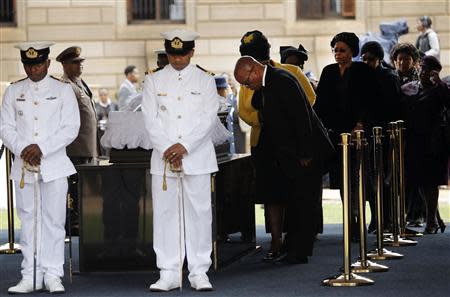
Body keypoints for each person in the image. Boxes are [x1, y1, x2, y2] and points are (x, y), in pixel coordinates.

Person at [0, 42, 80, 294]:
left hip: (54, 165)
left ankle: (52, 275)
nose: (33, 69)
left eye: (37, 64)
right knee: (29, 221)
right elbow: (5, 128)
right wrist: (24, 148)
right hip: (24, 167)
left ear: (47, 63)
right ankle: (30, 274)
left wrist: (41, 148)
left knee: (54, 222)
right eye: (28, 64)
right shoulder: (13, 91)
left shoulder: (63, 90)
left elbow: (70, 127)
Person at [142, 29, 218, 292]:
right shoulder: (153, 80)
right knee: (165, 215)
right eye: (173, 55)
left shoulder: (205, 79)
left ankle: (199, 271)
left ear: (192, 52)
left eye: (182, 54)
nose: (177, 60)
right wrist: (168, 148)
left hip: (196, 157)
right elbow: (150, 119)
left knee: (199, 214)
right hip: (163, 159)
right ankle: (169, 271)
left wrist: (183, 146)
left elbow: (209, 118)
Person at [238, 30, 317, 261]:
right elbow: (244, 111)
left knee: (294, 192)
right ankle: (275, 240)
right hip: (263, 141)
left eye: (256, 54)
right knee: (271, 194)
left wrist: (280, 116)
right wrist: (263, 118)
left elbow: (309, 99)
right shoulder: (246, 79)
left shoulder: (289, 71)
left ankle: (296, 242)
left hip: (290, 142)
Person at [314, 32, 376, 240]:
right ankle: (350, 219)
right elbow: (320, 103)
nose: (338, 54)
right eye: (335, 50)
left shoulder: (363, 71)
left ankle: (361, 218)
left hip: (359, 134)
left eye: (342, 50)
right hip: (335, 135)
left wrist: (360, 123)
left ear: (352, 51)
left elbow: (369, 101)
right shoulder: (328, 71)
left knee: (358, 178)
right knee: (342, 179)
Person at [401, 56, 449, 234]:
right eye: (422, 68)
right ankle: (435, 217)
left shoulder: (440, 89)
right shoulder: (409, 88)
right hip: (414, 140)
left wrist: (439, 83)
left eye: (428, 69)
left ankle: (430, 222)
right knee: (420, 181)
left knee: (431, 181)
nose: (423, 72)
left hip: (434, 141)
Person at [360, 41, 402, 232]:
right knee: (371, 180)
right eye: (364, 59)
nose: (367, 63)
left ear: (379, 59)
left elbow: (394, 108)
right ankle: (376, 217)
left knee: (385, 179)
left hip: (385, 135)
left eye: (371, 59)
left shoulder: (388, 77)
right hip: (368, 134)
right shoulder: (362, 77)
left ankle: (387, 218)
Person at [57, 46, 98, 235]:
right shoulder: (66, 86)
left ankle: (80, 221)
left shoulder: (79, 83)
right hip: (75, 148)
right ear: (65, 65)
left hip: (86, 147)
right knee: (74, 189)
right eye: (75, 63)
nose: (79, 66)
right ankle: (73, 224)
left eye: (80, 62)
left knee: (83, 189)